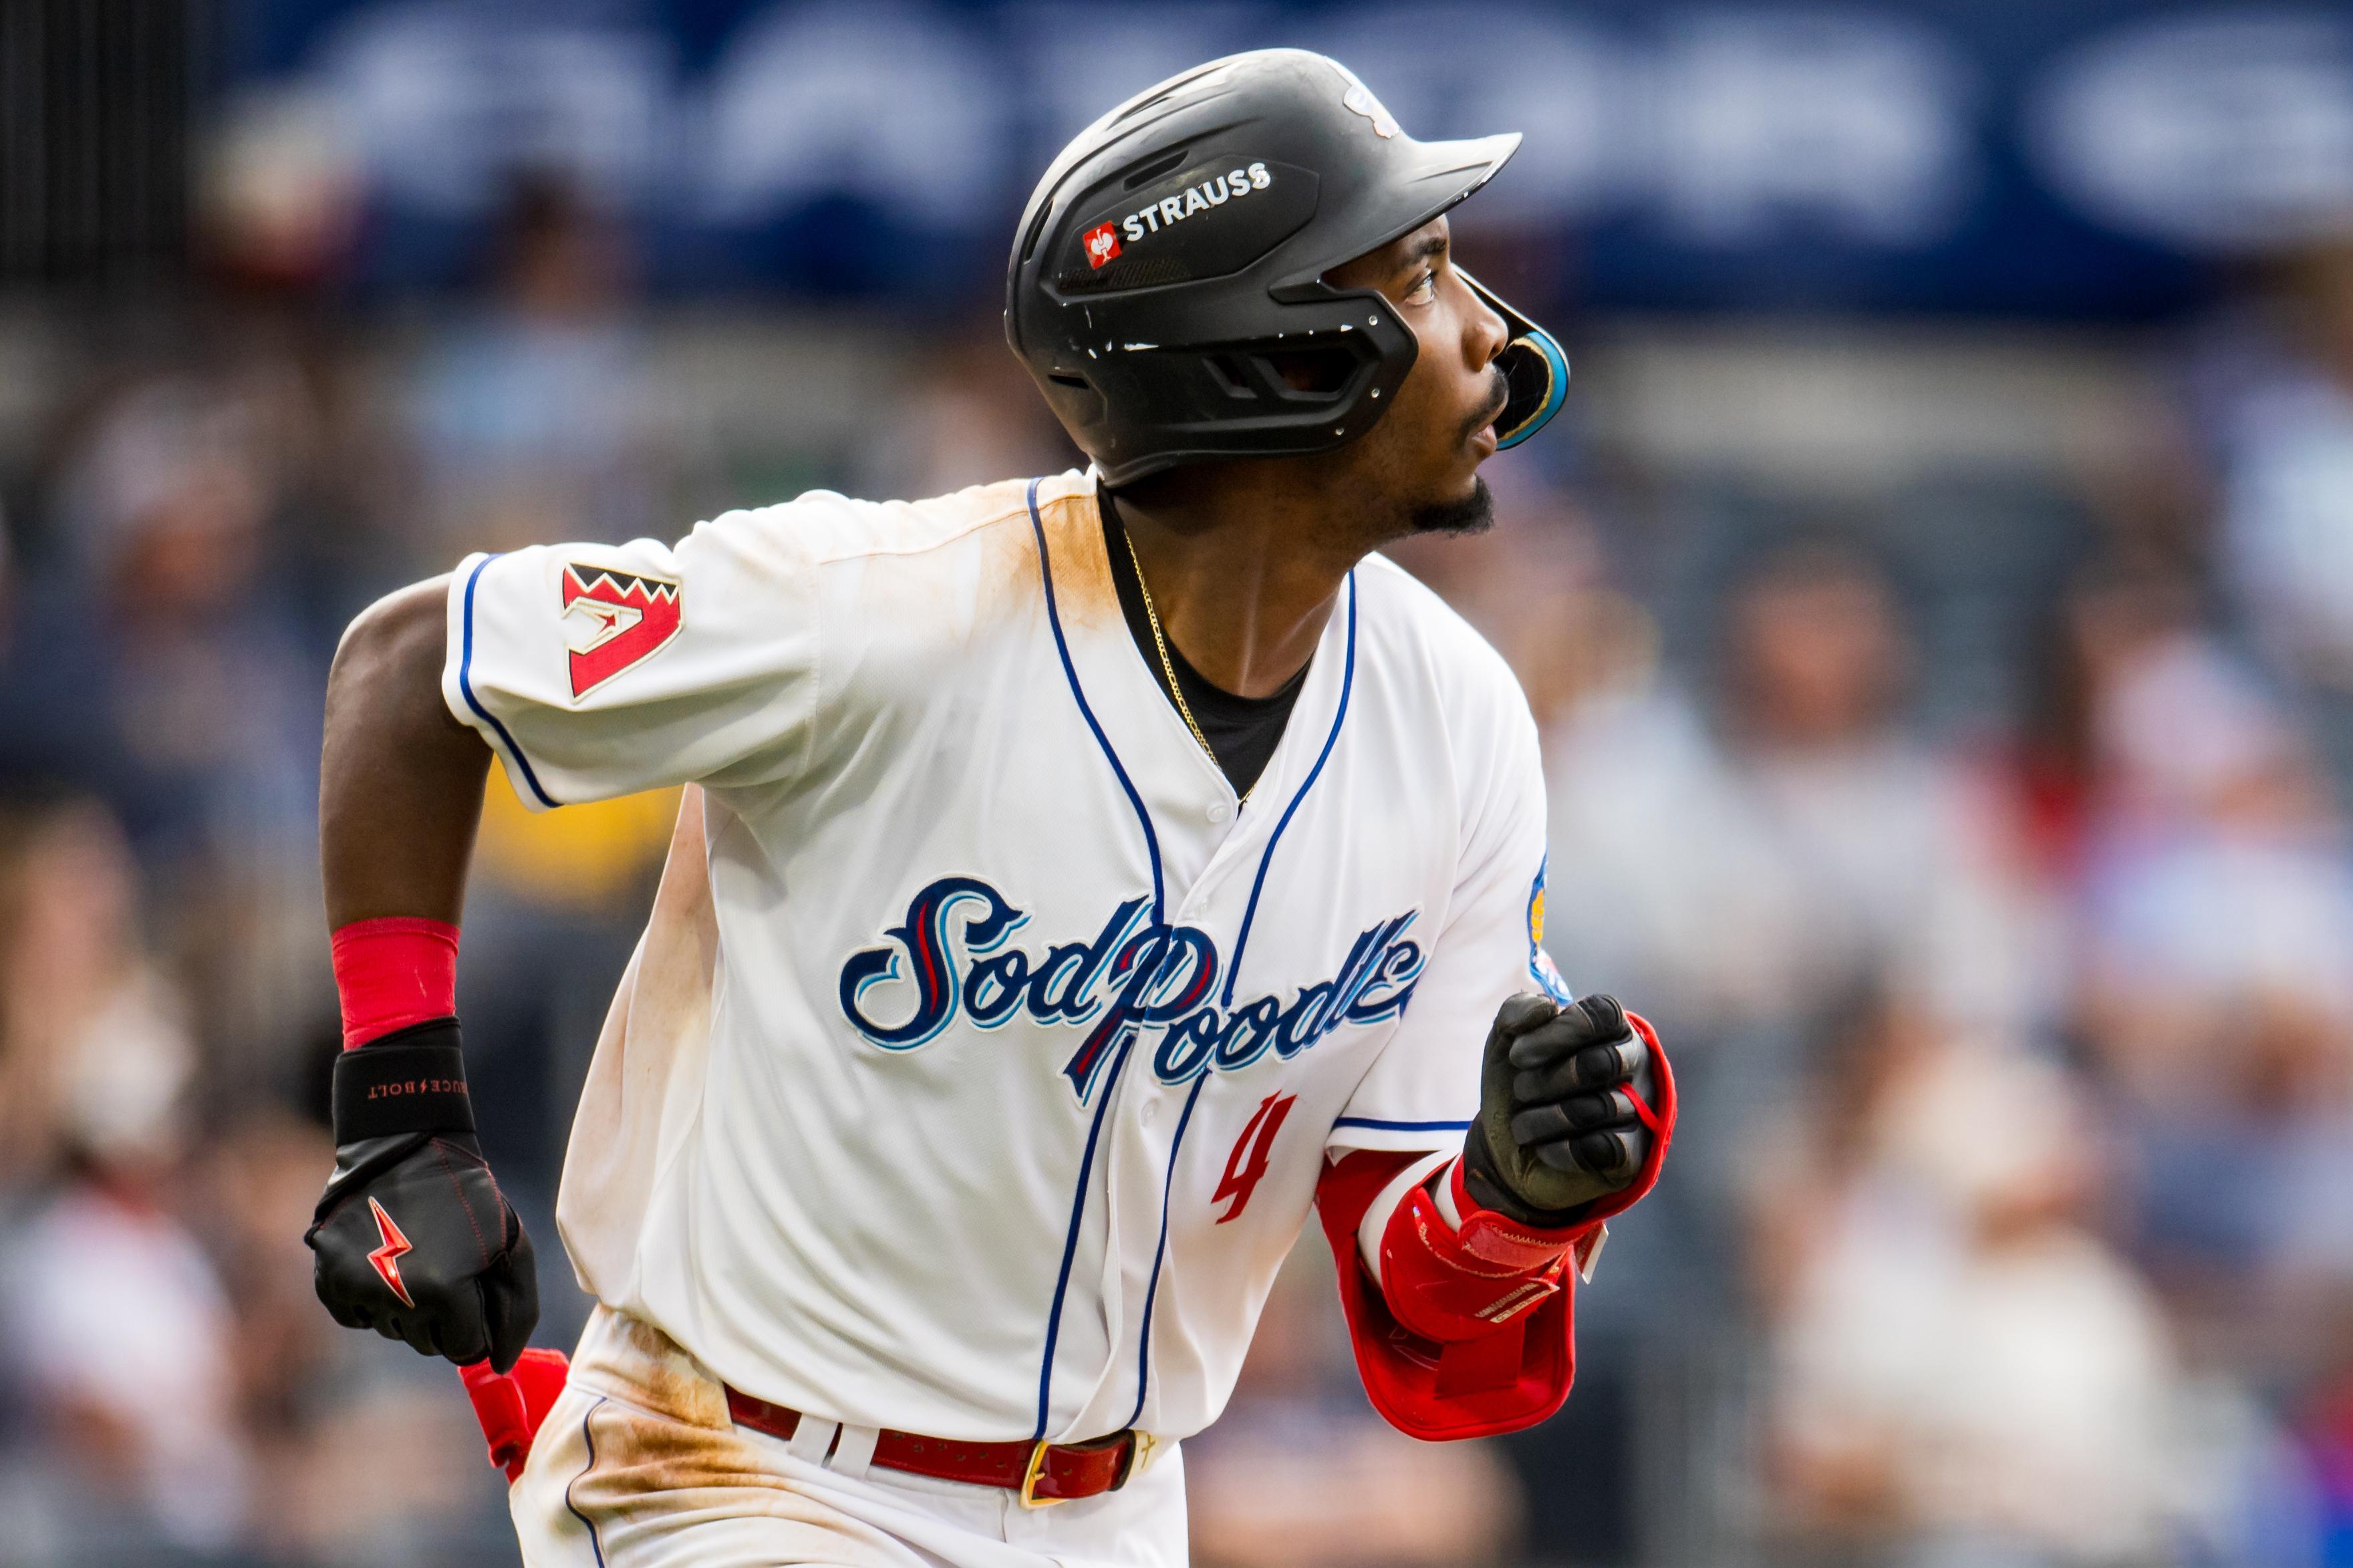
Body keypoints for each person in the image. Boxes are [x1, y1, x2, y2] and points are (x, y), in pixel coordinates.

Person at [303, 51, 1676, 1567]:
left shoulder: (1461, 721)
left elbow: (1418, 1303)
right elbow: (414, 666)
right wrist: (404, 1113)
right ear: (1283, 357)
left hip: (1121, 1507)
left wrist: (1507, 1195)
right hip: (742, 1475)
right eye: (1422, 273)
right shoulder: (873, 614)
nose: (1489, 329)